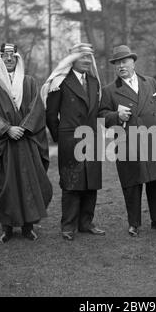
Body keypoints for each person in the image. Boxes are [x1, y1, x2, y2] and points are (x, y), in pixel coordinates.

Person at [0, 43, 53, 243]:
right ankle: (7, 228)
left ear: (18, 59)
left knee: (29, 184)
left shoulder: (29, 82)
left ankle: (28, 227)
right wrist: (7, 129)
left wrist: (24, 127)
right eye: (5, 55)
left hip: (26, 143)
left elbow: (37, 107)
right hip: (3, 144)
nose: (9, 59)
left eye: (13, 55)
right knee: (3, 185)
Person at [99, 45, 156, 237]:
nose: (121, 66)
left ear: (133, 62)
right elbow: (101, 117)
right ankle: (134, 223)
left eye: (124, 61)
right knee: (131, 184)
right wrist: (116, 115)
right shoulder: (109, 90)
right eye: (117, 63)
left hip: (153, 141)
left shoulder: (150, 82)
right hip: (127, 144)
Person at [43, 43, 104, 241]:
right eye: (83, 57)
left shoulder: (95, 82)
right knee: (71, 183)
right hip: (71, 139)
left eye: (89, 58)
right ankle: (68, 226)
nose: (87, 61)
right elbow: (51, 115)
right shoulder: (60, 81)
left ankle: (86, 223)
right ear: (73, 59)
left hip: (93, 138)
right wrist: (62, 137)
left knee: (91, 182)